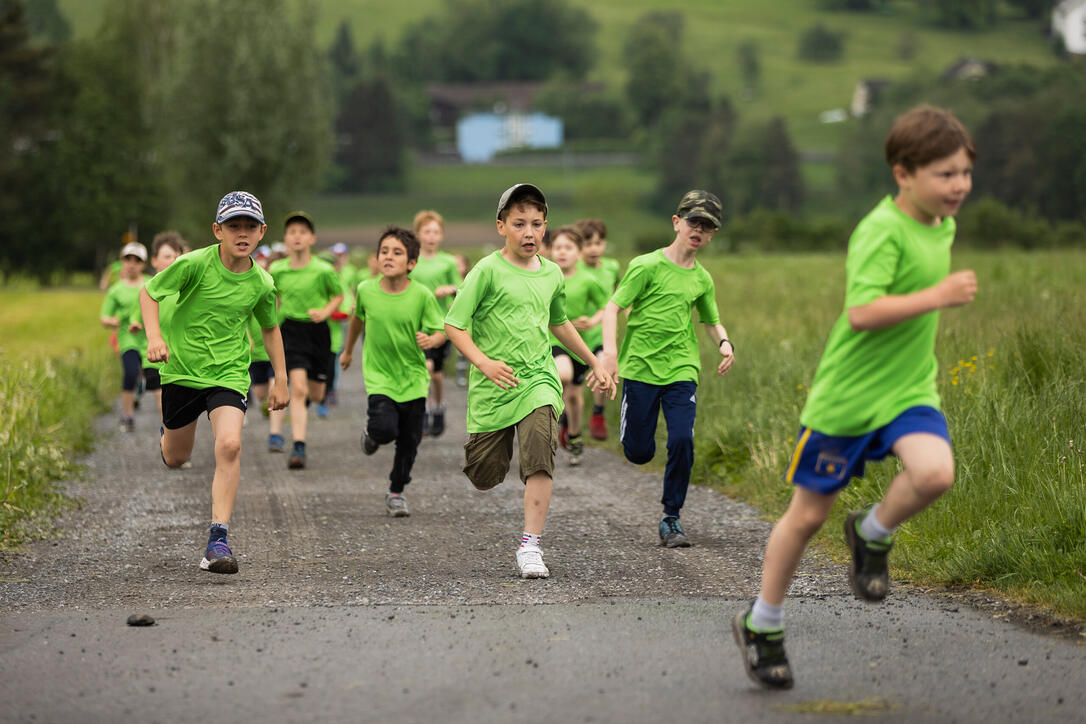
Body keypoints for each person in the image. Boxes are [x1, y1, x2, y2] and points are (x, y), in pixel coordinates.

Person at [732, 105, 977, 690]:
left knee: (935, 474)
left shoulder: (943, 223)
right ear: (903, 173)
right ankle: (763, 622)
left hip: (908, 388)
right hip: (846, 398)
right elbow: (863, 313)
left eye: (965, 172)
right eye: (945, 174)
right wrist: (939, 294)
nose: (959, 186)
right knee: (809, 514)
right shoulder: (880, 230)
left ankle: (871, 533)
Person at [444, 183, 616, 579]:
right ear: (501, 226)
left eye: (537, 224)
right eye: (519, 224)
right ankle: (487, 456)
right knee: (485, 474)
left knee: (540, 451)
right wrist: (484, 363)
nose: (529, 233)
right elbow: (454, 325)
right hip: (493, 385)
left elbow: (559, 323)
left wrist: (595, 362)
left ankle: (530, 546)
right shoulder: (486, 270)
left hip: (538, 377)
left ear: (546, 228)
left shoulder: (552, 273)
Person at [140, 190, 289, 574]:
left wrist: (281, 379)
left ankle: (217, 540)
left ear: (261, 233)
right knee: (177, 457)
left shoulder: (261, 282)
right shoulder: (193, 264)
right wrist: (155, 338)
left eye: (250, 226)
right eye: (233, 225)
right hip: (183, 371)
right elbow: (149, 292)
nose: (242, 233)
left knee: (230, 444)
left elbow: (270, 330)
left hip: (229, 373)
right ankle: (167, 436)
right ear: (217, 230)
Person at [600, 190, 735, 549]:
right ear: (677, 223)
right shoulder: (646, 266)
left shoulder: (702, 279)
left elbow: (711, 320)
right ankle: (635, 440)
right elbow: (613, 308)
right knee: (639, 453)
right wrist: (610, 354)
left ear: (712, 235)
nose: (699, 230)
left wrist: (724, 342)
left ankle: (671, 517)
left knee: (681, 439)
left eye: (707, 227)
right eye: (694, 222)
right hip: (641, 369)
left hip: (681, 369)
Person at [341, 226, 446, 517]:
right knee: (385, 428)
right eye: (384, 251)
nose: (388, 257)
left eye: (397, 253)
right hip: (380, 376)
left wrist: (432, 339)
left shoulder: (422, 295)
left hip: (413, 378)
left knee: (409, 441)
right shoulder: (366, 290)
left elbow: (441, 330)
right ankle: (373, 435)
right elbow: (357, 320)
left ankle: (397, 491)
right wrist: (348, 351)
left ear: (411, 263)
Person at [266, 212, 344, 469]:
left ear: (312, 238)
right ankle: (299, 446)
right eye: (292, 232)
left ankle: (308, 403)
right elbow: (272, 299)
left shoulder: (323, 269)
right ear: (286, 239)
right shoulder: (277, 269)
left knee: (316, 393)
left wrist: (325, 311)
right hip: (290, 331)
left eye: (302, 232)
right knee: (297, 388)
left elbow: (338, 295)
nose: (297, 236)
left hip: (318, 332)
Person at [548, 225, 608, 466]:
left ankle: (573, 434)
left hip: (578, 343)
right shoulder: (545, 276)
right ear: (551, 250)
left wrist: (592, 320)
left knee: (574, 396)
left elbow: (607, 306)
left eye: (568, 248)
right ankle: (555, 417)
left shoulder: (588, 280)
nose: (562, 252)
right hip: (553, 340)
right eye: (557, 247)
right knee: (563, 374)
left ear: (579, 252)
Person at [409, 210, 462, 437]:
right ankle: (420, 412)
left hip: (440, 325)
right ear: (418, 234)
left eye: (436, 232)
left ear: (441, 235)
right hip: (415, 324)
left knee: (436, 372)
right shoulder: (411, 261)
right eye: (427, 231)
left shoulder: (448, 262)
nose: (431, 236)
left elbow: (461, 290)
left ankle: (438, 406)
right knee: (424, 368)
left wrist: (449, 289)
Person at [128, 232, 186, 418]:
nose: (173, 260)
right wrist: (135, 323)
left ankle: (170, 440)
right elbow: (137, 314)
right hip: (154, 356)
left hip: (182, 357)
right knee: (164, 400)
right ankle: (167, 435)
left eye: (177, 256)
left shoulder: (186, 288)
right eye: (167, 256)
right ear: (154, 261)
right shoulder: (149, 289)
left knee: (179, 403)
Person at [577, 218, 623, 441]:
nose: (594, 248)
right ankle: (568, 419)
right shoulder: (570, 267)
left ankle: (598, 414)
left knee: (603, 367)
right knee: (572, 384)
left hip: (601, 333)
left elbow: (619, 298)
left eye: (599, 242)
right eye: (588, 243)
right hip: (574, 335)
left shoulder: (612, 267)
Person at [99, 241, 150, 432]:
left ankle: (142, 389)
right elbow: (104, 318)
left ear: (143, 264)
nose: (131, 264)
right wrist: (115, 321)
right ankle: (128, 416)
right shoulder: (116, 290)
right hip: (127, 338)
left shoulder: (150, 283)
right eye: (128, 260)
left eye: (137, 260)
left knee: (151, 376)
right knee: (130, 372)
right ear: (122, 262)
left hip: (150, 337)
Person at [318, 242, 357, 418]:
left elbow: (346, 298)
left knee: (331, 365)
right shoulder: (318, 279)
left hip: (334, 332)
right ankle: (317, 395)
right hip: (314, 333)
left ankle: (327, 394)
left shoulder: (347, 274)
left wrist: (342, 313)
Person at [452, 253, 472, 388]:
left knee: (467, 355)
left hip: (468, 326)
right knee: (460, 356)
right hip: (454, 326)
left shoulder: (469, 282)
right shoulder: (448, 282)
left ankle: (465, 377)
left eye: (458, 265)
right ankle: (460, 376)